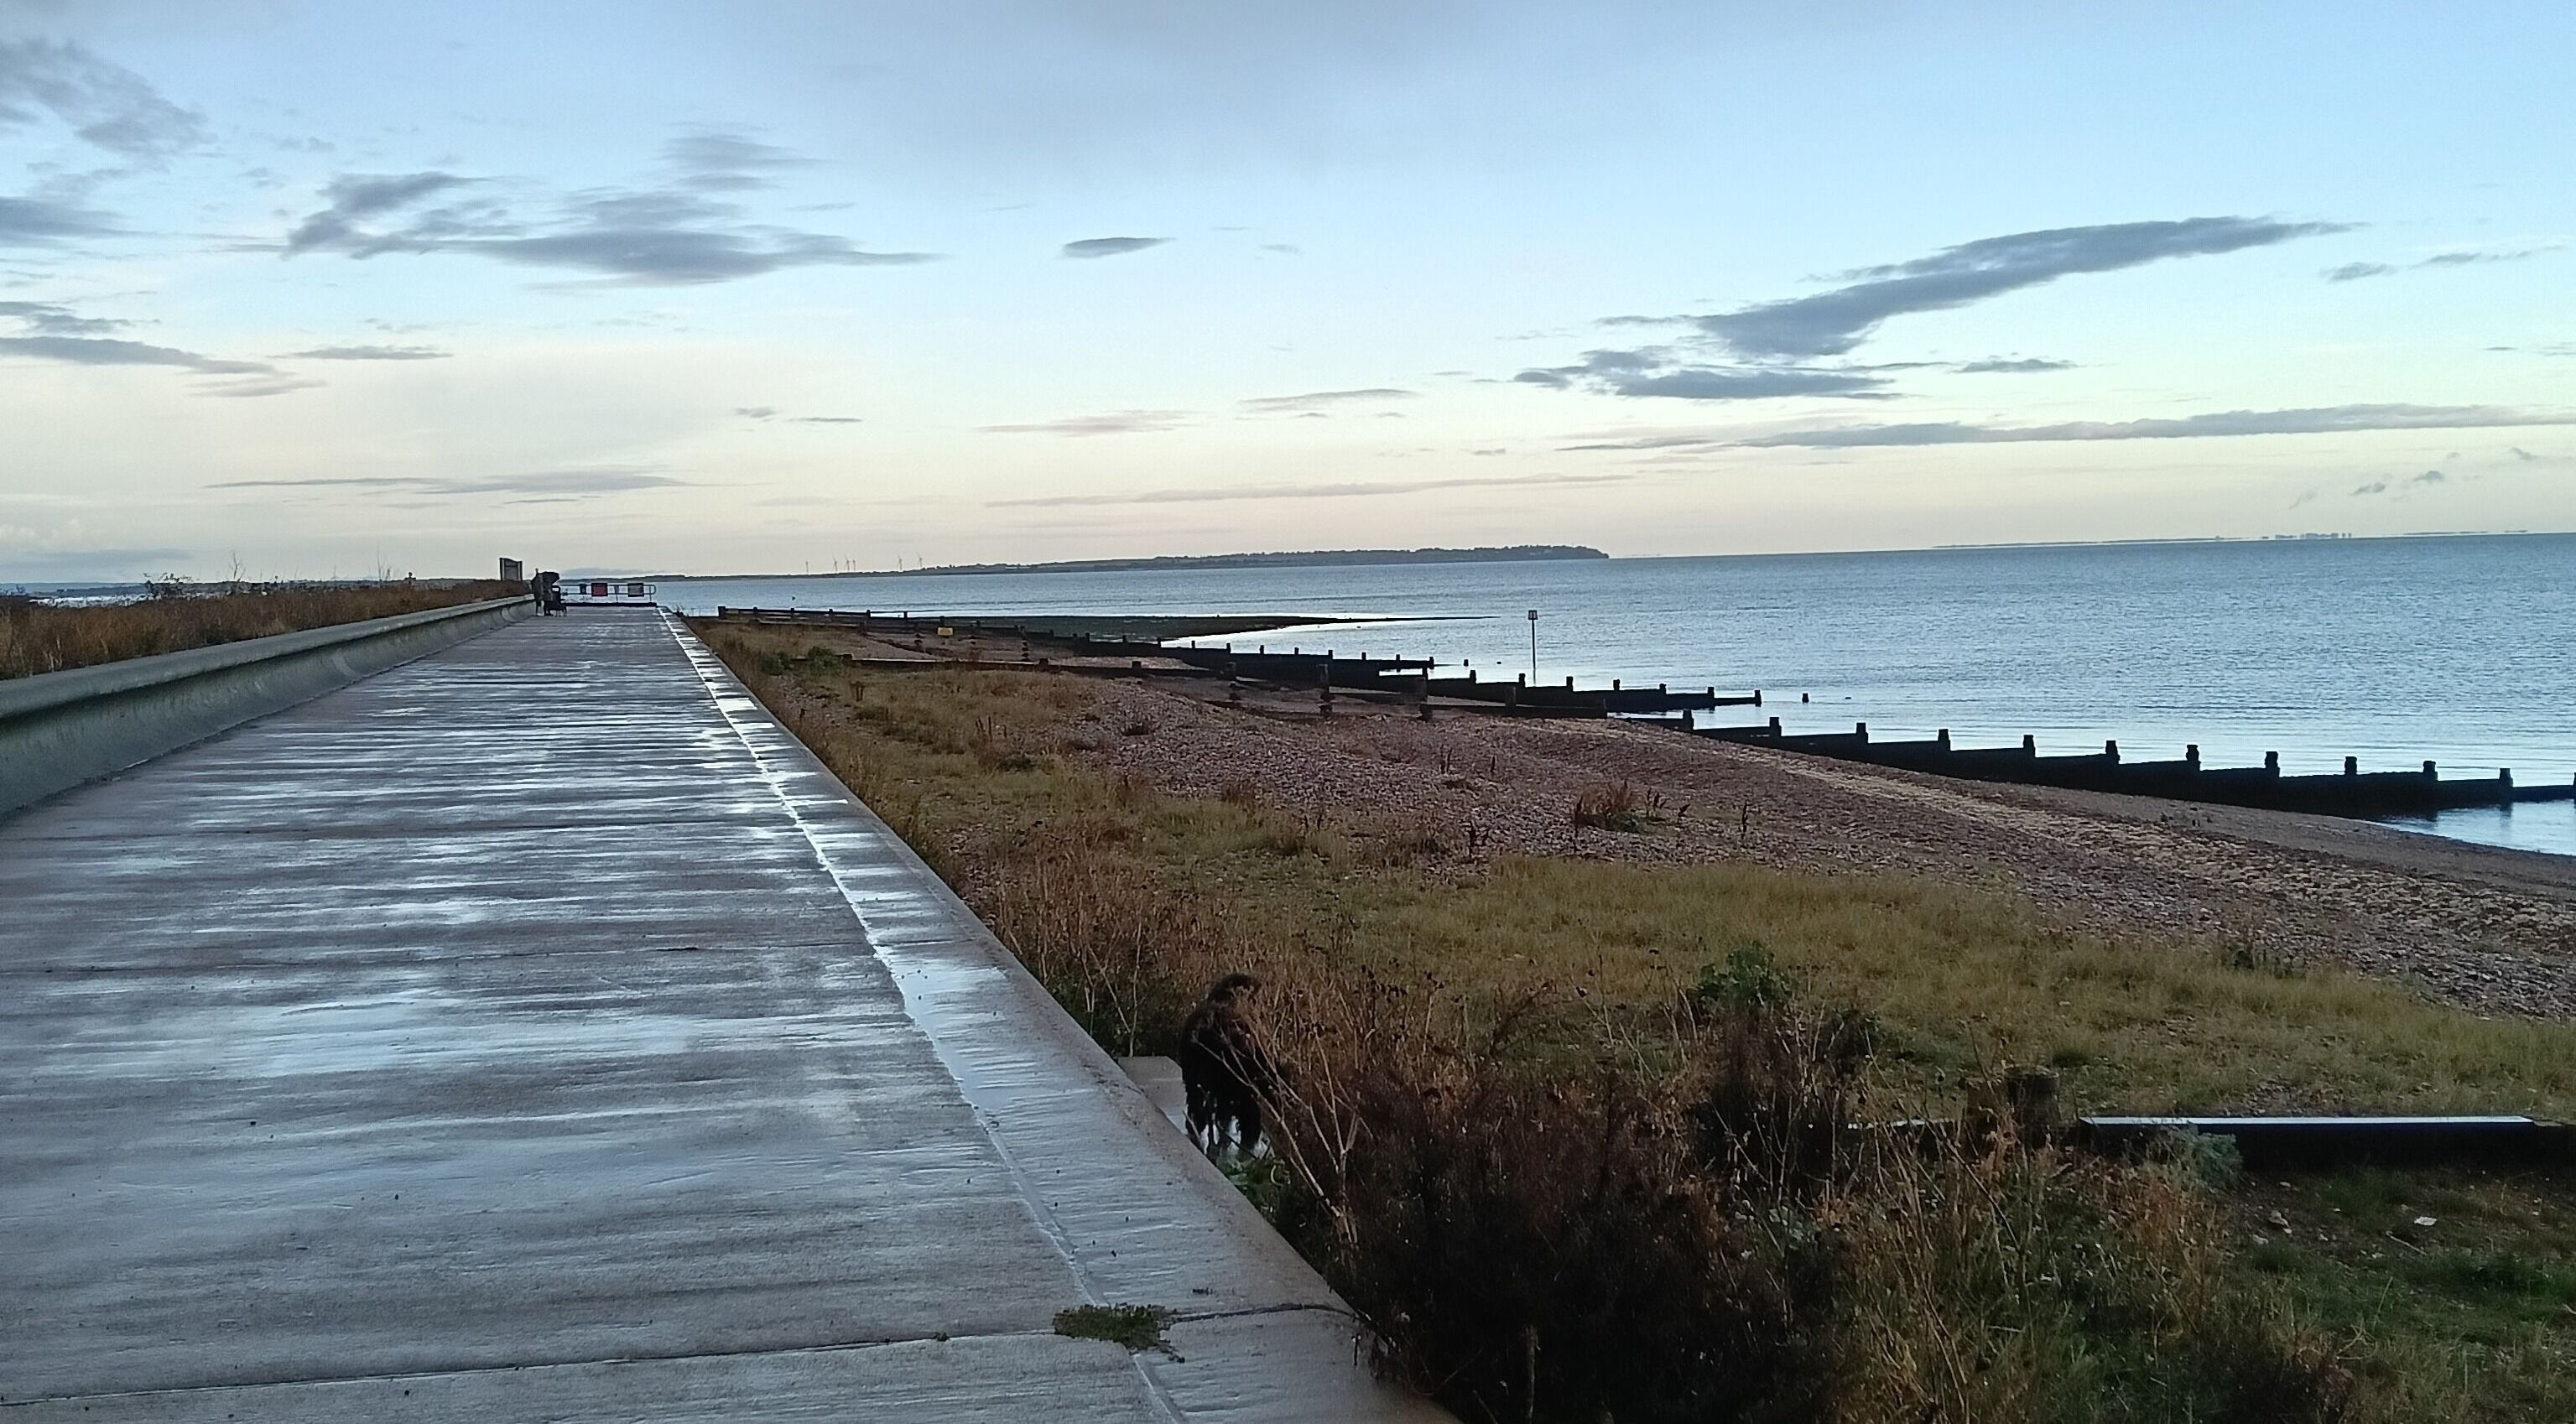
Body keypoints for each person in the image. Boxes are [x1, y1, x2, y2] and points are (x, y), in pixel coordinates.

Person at [1179, 973, 1278, 1156]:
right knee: (1244, 1104)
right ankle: (1242, 1152)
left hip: (1206, 1067)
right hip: (1231, 1072)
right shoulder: (1245, 1029)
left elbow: (1191, 1082)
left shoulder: (1199, 1021)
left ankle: (1203, 1135)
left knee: (1201, 1100)